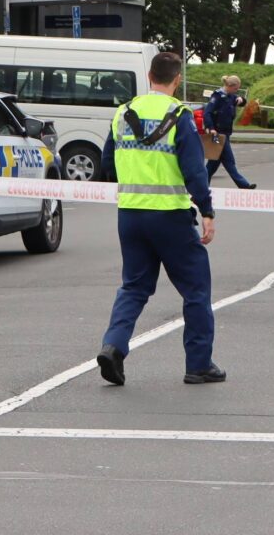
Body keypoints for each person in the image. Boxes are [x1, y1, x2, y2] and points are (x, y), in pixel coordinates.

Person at [95, 51, 224, 387]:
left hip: (130, 215)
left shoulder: (124, 113)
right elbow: (195, 171)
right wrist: (206, 211)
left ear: (150, 76)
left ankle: (113, 346)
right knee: (196, 288)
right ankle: (198, 365)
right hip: (170, 217)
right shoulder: (179, 114)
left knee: (134, 286)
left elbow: (107, 161)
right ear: (177, 79)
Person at [203, 75, 258, 190]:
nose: (236, 91)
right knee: (229, 160)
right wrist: (211, 128)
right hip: (217, 134)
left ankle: (202, 187)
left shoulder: (231, 96)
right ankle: (243, 185)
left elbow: (241, 102)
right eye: (236, 88)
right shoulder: (217, 96)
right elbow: (207, 113)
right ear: (229, 86)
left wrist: (241, 100)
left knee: (213, 163)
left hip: (225, 134)